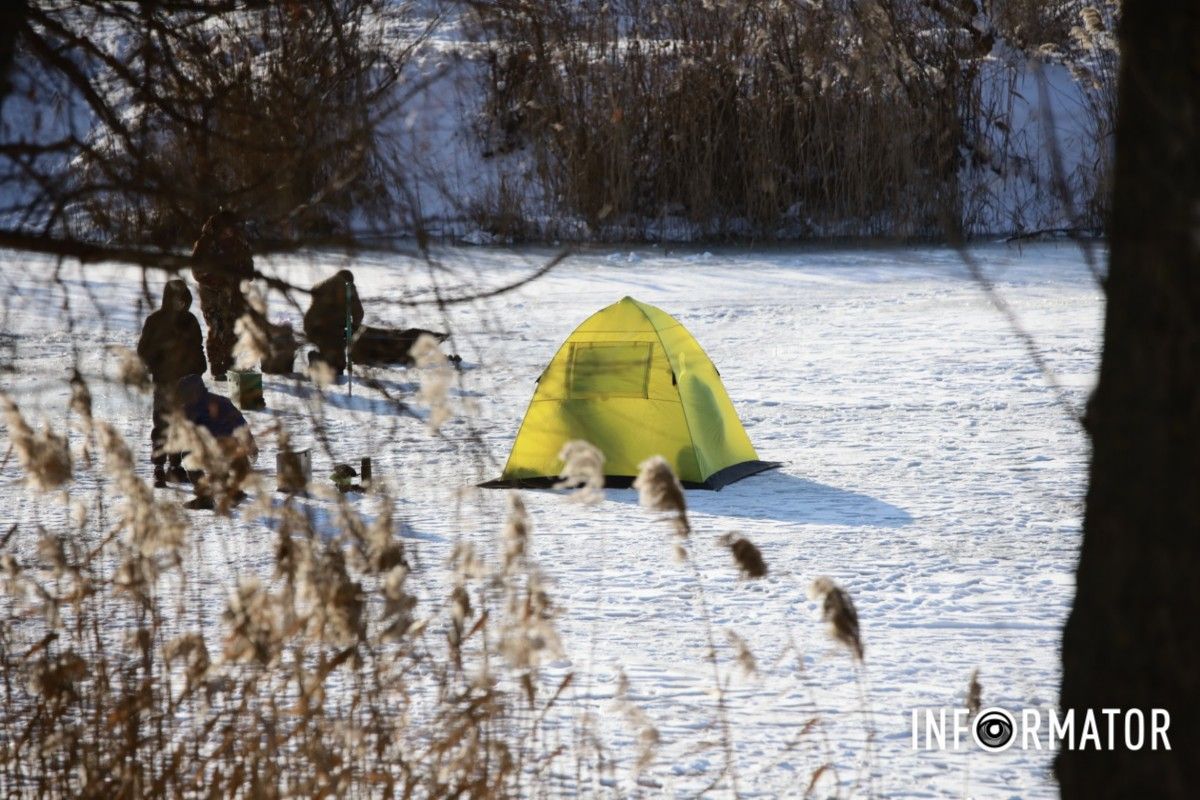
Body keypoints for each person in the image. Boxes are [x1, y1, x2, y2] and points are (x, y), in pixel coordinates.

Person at [137, 279, 207, 488]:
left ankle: (175, 467)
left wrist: (199, 369)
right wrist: (157, 365)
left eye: (184, 299)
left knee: (182, 423)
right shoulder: (155, 321)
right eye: (176, 299)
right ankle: (159, 468)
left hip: (187, 383)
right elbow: (143, 352)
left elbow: (198, 348)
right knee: (163, 424)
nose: (180, 304)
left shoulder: (190, 321)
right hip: (164, 382)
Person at [175, 374, 258, 510]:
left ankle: (205, 498)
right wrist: (252, 445)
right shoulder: (222, 400)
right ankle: (234, 493)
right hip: (237, 449)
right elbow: (241, 423)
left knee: (188, 454)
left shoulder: (190, 408)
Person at [191, 210, 254, 380]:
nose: (230, 232)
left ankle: (229, 361)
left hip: (235, 296)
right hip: (213, 297)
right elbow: (197, 271)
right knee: (217, 329)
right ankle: (217, 366)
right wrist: (220, 280)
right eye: (227, 228)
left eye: (232, 228)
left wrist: (242, 277)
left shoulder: (239, 242)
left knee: (234, 330)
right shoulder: (205, 243)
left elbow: (249, 267)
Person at [303, 269, 363, 374]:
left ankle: (317, 359)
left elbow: (311, 312)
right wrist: (355, 328)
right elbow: (358, 312)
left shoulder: (321, 286)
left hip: (314, 328)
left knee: (328, 353)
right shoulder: (348, 287)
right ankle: (317, 359)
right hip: (335, 330)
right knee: (338, 366)